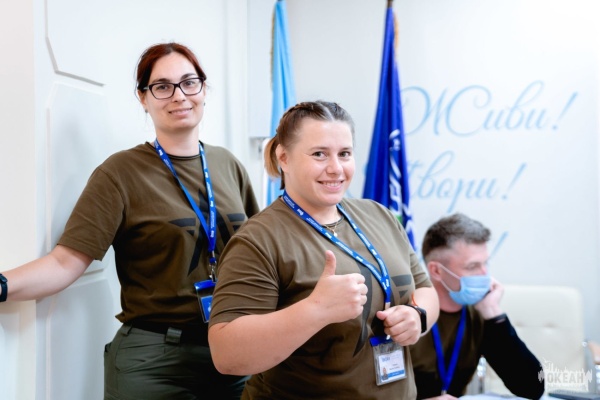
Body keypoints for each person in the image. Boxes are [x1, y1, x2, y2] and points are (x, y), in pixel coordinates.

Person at [0, 42, 259, 399]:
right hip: (155, 360)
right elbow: (64, 262)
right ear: (143, 97)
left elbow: (258, 255)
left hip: (233, 350)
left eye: (189, 82)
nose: (179, 95)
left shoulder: (228, 164)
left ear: (203, 89)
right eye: (162, 86)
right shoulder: (119, 173)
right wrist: (2, 285)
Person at [207, 100, 440, 399]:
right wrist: (315, 310)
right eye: (319, 154)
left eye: (344, 154)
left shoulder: (379, 215)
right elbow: (227, 355)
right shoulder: (258, 240)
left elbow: (425, 289)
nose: (335, 168)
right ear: (284, 158)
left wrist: (417, 315)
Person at [410, 213, 544, 400]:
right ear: (437, 271)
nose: (484, 274)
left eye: (485, 263)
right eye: (472, 266)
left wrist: (493, 313)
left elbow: (531, 388)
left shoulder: (479, 313)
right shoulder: (409, 313)